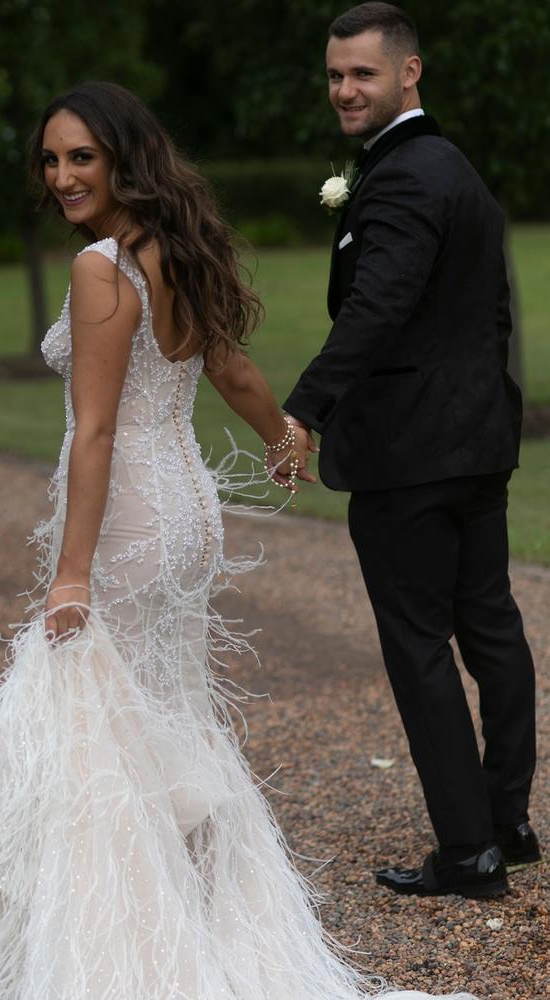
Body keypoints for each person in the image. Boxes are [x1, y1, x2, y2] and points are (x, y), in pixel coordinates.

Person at [0, 80, 481, 1000]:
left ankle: (130, 948)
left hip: (133, 515)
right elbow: (227, 366)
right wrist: (280, 437)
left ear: (122, 159)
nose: (62, 175)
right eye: (53, 159)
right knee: (162, 709)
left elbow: (97, 430)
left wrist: (70, 574)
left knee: (103, 719)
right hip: (185, 508)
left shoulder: (104, 265)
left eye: (82, 158)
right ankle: (191, 915)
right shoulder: (174, 247)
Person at [284, 2, 540, 900]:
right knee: (492, 629)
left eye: (363, 73)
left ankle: (468, 850)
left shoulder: (399, 179)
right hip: (476, 444)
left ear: (409, 72)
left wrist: (305, 408)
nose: (345, 89)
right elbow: (486, 311)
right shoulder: (452, 168)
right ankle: (506, 824)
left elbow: (377, 306)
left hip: (412, 455)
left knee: (421, 646)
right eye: (335, 74)